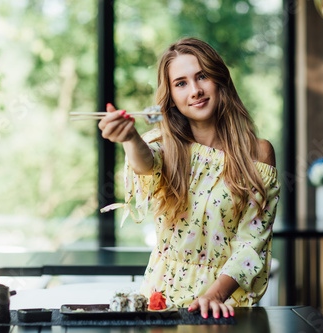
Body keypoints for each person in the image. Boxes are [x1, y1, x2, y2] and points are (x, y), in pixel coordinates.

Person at [98, 38, 280, 319]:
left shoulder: (258, 153)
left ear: (220, 79)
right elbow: (146, 163)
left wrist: (214, 295)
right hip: (160, 306)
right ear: (170, 95)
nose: (195, 90)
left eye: (202, 76)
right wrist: (130, 138)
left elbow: (252, 242)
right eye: (181, 83)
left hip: (222, 308)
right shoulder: (163, 145)